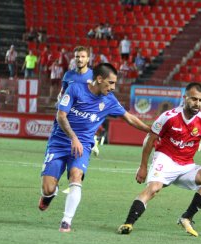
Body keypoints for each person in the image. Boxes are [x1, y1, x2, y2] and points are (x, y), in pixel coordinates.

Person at [38, 63, 150, 232]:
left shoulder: (109, 100)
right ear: (99, 79)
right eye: (110, 83)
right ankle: (49, 196)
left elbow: (130, 118)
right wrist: (73, 137)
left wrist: (152, 130)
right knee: (48, 188)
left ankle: (66, 222)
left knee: (76, 176)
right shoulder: (75, 89)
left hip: (82, 146)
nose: (113, 87)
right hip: (59, 142)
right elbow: (61, 116)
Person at [117, 82, 201, 237]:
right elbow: (149, 141)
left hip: (186, 165)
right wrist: (143, 167)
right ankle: (128, 223)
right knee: (154, 188)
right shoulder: (168, 117)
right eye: (193, 99)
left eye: (200, 100)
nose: (197, 103)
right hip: (165, 159)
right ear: (185, 98)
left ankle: (186, 217)